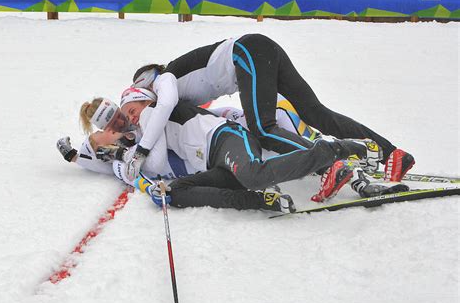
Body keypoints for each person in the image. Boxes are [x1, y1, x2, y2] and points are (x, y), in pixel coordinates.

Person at [129, 34, 414, 183]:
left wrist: (141, 148)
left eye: (144, 89)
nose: (147, 98)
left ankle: (331, 162)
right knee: (316, 114)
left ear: (151, 79)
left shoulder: (167, 79)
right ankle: (391, 153)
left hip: (248, 54)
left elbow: (164, 105)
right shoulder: (180, 89)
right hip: (256, 50)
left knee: (263, 128)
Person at [118, 88, 384, 206]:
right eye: (128, 116)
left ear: (144, 101)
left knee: (252, 173)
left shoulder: (152, 112)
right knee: (175, 191)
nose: (132, 117)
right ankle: (260, 201)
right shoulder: (146, 127)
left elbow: (154, 161)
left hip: (224, 138)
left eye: (131, 109)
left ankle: (334, 150)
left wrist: (134, 152)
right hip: (213, 160)